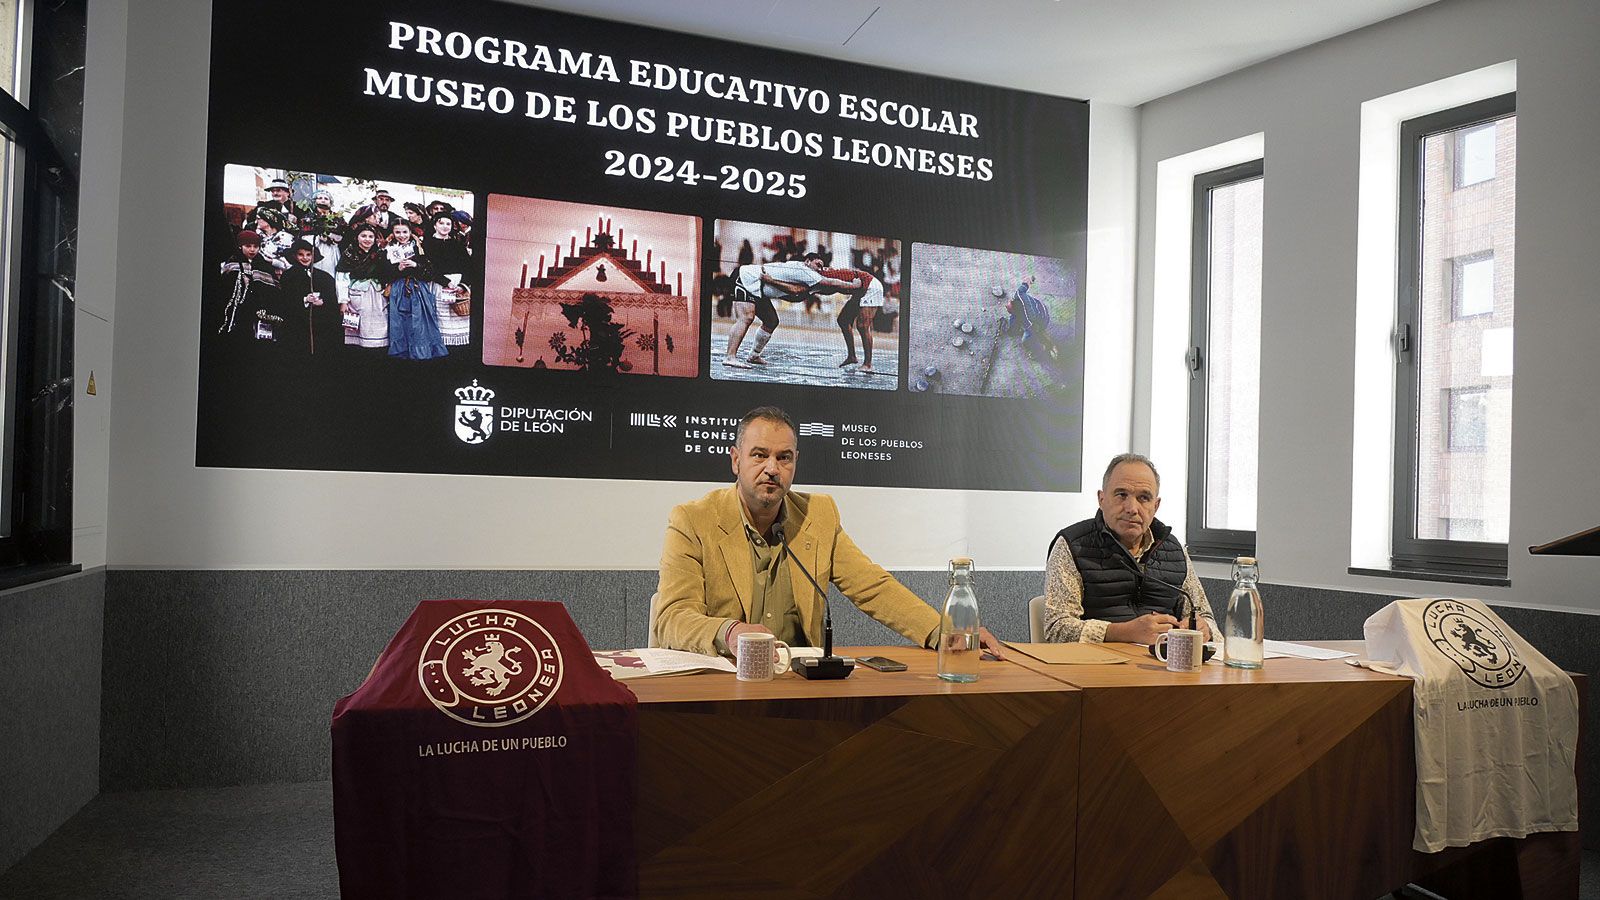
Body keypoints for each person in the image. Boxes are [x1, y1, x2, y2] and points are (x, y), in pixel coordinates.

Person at [653, 406, 1005, 659]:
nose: (772, 469)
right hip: (725, 680)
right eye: (759, 455)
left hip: (801, 686)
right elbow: (672, 618)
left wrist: (941, 631)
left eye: (784, 458)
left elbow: (871, 586)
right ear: (735, 460)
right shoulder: (692, 520)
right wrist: (730, 632)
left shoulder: (818, 515)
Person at [1042, 453, 1223, 644]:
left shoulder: (1174, 550)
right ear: (1101, 499)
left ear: (1156, 505)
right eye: (1121, 495)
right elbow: (1057, 628)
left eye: (1143, 498)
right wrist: (1122, 632)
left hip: (1163, 667)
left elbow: (1205, 617)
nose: (1132, 508)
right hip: (1097, 667)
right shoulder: (1071, 545)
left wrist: (1204, 628)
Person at [722, 255, 857, 369]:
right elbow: (831, 282)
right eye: (818, 264)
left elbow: (797, 290)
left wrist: (772, 281)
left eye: (822, 267)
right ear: (808, 261)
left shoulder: (805, 276)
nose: (820, 269)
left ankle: (754, 355)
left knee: (771, 321)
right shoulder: (804, 271)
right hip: (747, 278)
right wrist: (853, 286)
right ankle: (730, 356)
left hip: (760, 288)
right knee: (746, 318)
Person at [382, 220, 447, 360]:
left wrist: (415, 265)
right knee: (400, 323)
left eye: (405, 232)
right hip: (399, 290)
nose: (402, 235)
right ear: (393, 233)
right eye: (397, 232)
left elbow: (430, 272)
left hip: (418, 290)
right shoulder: (388, 250)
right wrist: (397, 269)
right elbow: (384, 274)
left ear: (410, 232)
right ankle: (403, 354)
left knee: (419, 324)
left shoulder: (419, 247)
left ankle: (421, 355)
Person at [274, 239, 342, 356]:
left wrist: (323, 302)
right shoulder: (288, 276)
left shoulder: (324, 276)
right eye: (301, 254)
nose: (305, 258)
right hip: (298, 324)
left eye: (308, 254)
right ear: (295, 256)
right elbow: (285, 299)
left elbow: (331, 298)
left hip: (320, 324)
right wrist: (304, 299)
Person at [215, 229, 278, 344]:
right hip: (239, 313)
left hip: (260, 313)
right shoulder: (233, 263)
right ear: (240, 246)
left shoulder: (264, 265)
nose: (252, 250)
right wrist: (240, 280)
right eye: (248, 246)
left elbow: (273, 290)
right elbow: (224, 289)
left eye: (255, 246)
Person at [821, 265, 887, 372]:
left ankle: (868, 364)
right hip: (859, 290)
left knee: (862, 326)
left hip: (870, 287)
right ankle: (852, 357)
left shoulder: (825, 275)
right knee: (843, 320)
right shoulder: (820, 275)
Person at [423, 212, 472, 348]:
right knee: (441, 324)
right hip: (439, 285)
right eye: (441, 223)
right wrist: (446, 282)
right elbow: (428, 268)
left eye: (448, 224)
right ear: (435, 225)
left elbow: (468, 266)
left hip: (458, 287)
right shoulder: (427, 244)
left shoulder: (457, 244)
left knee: (460, 321)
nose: (445, 226)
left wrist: (462, 285)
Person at [337, 222, 387, 349]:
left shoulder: (380, 254)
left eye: (371, 236)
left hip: (377, 295)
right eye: (363, 236)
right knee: (358, 332)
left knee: (379, 330)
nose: (367, 239)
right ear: (357, 237)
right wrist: (343, 301)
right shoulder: (349, 254)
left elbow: (387, 274)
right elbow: (342, 278)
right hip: (357, 295)